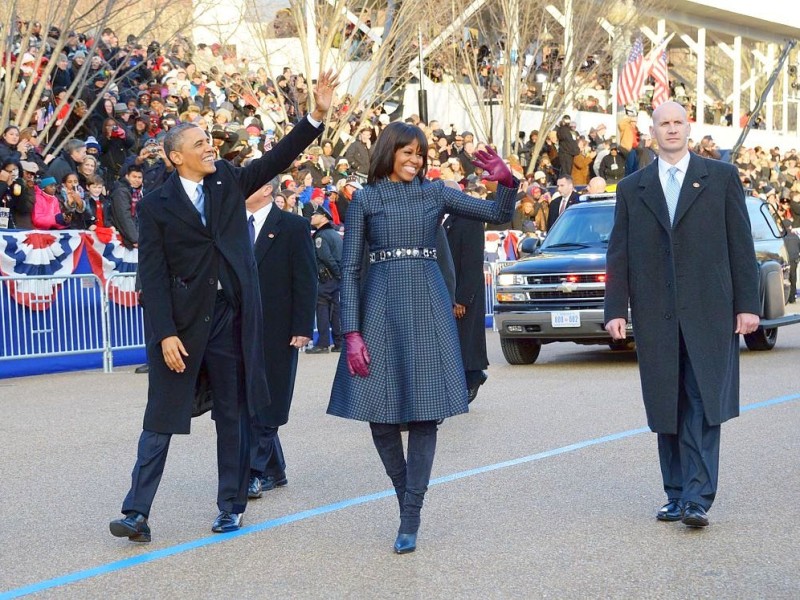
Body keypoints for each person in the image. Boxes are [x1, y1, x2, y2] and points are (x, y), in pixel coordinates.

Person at [109, 69, 338, 542]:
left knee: (233, 415)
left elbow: (278, 157)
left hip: (232, 320)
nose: (210, 147)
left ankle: (230, 506)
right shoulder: (155, 206)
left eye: (210, 141)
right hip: (183, 326)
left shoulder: (229, 181)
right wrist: (165, 333)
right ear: (176, 157)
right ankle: (136, 513)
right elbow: (150, 276)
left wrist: (315, 115)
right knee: (161, 418)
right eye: (199, 144)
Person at [327, 122, 516, 554]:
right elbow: (352, 269)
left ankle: (411, 513)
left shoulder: (436, 192)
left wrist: (506, 183)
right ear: (388, 152)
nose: (415, 160)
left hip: (428, 301)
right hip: (379, 304)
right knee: (381, 415)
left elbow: (496, 214)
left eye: (420, 154)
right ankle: (405, 499)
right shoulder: (366, 199)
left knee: (426, 414)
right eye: (407, 152)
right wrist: (351, 331)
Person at [604, 101, 760, 529]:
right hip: (657, 315)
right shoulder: (632, 188)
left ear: (688, 128)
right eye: (663, 124)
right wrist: (615, 308)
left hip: (711, 313)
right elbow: (619, 253)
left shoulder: (721, 178)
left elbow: (740, 247)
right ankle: (674, 494)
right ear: (651, 132)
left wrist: (748, 305)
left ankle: (697, 497)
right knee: (666, 404)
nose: (671, 130)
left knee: (701, 401)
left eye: (678, 122)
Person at [244, 179, 317, 499]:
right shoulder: (230, 225)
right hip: (238, 327)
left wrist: (302, 326)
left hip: (279, 327)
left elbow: (306, 278)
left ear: (265, 191)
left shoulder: (293, 226)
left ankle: (252, 472)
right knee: (248, 400)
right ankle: (274, 469)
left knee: (270, 397)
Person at [443, 181, 489, 403]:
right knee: (454, 342)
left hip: (464, 291)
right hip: (447, 290)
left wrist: (462, 298)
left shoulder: (469, 219)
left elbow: (472, 262)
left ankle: (473, 377)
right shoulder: (443, 219)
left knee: (466, 341)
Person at [307, 205, 343, 353]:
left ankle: (322, 343)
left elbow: (326, 257)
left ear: (323, 218)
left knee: (322, 308)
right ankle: (339, 343)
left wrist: (336, 273)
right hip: (334, 278)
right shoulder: (333, 233)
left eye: (315, 215)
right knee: (335, 310)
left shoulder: (321, 236)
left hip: (327, 277)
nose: (312, 217)